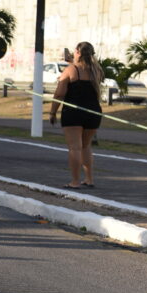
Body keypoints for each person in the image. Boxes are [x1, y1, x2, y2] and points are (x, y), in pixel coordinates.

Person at [50, 41, 103, 188]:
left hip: (73, 112)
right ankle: (89, 179)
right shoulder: (96, 70)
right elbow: (83, 68)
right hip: (93, 112)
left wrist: (53, 112)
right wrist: (72, 61)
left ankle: (75, 181)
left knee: (75, 148)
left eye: (75, 51)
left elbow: (59, 94)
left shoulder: (70, 70)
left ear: (78, 52)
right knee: (85, 146)